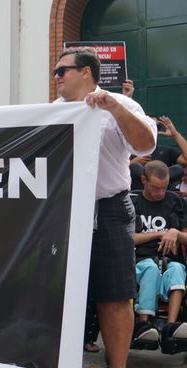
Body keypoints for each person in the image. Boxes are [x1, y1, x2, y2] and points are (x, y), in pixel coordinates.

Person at [53, 47, 156, 367]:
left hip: (108, 207)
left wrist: (113, 108)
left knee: (113, 294)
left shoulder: (122, 104)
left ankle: (118, 365)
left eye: (62, 71)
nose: (56, 77)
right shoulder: (52, 110)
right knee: (56, 292)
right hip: (62, 211)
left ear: (86, 72)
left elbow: (146, 144)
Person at [130, 160, 187, 353]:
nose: (160, 193)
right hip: (139, 262)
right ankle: (143, 325)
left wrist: (176, 233)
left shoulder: (175, 201)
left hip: (170, 260)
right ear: (143, 180)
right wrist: (159, 233)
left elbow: (185, 237)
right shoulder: (133, 201)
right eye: (155, 188)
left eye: (164, 188)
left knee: (178, 269)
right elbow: (127, 237)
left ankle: (171, 327)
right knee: (150, 268)